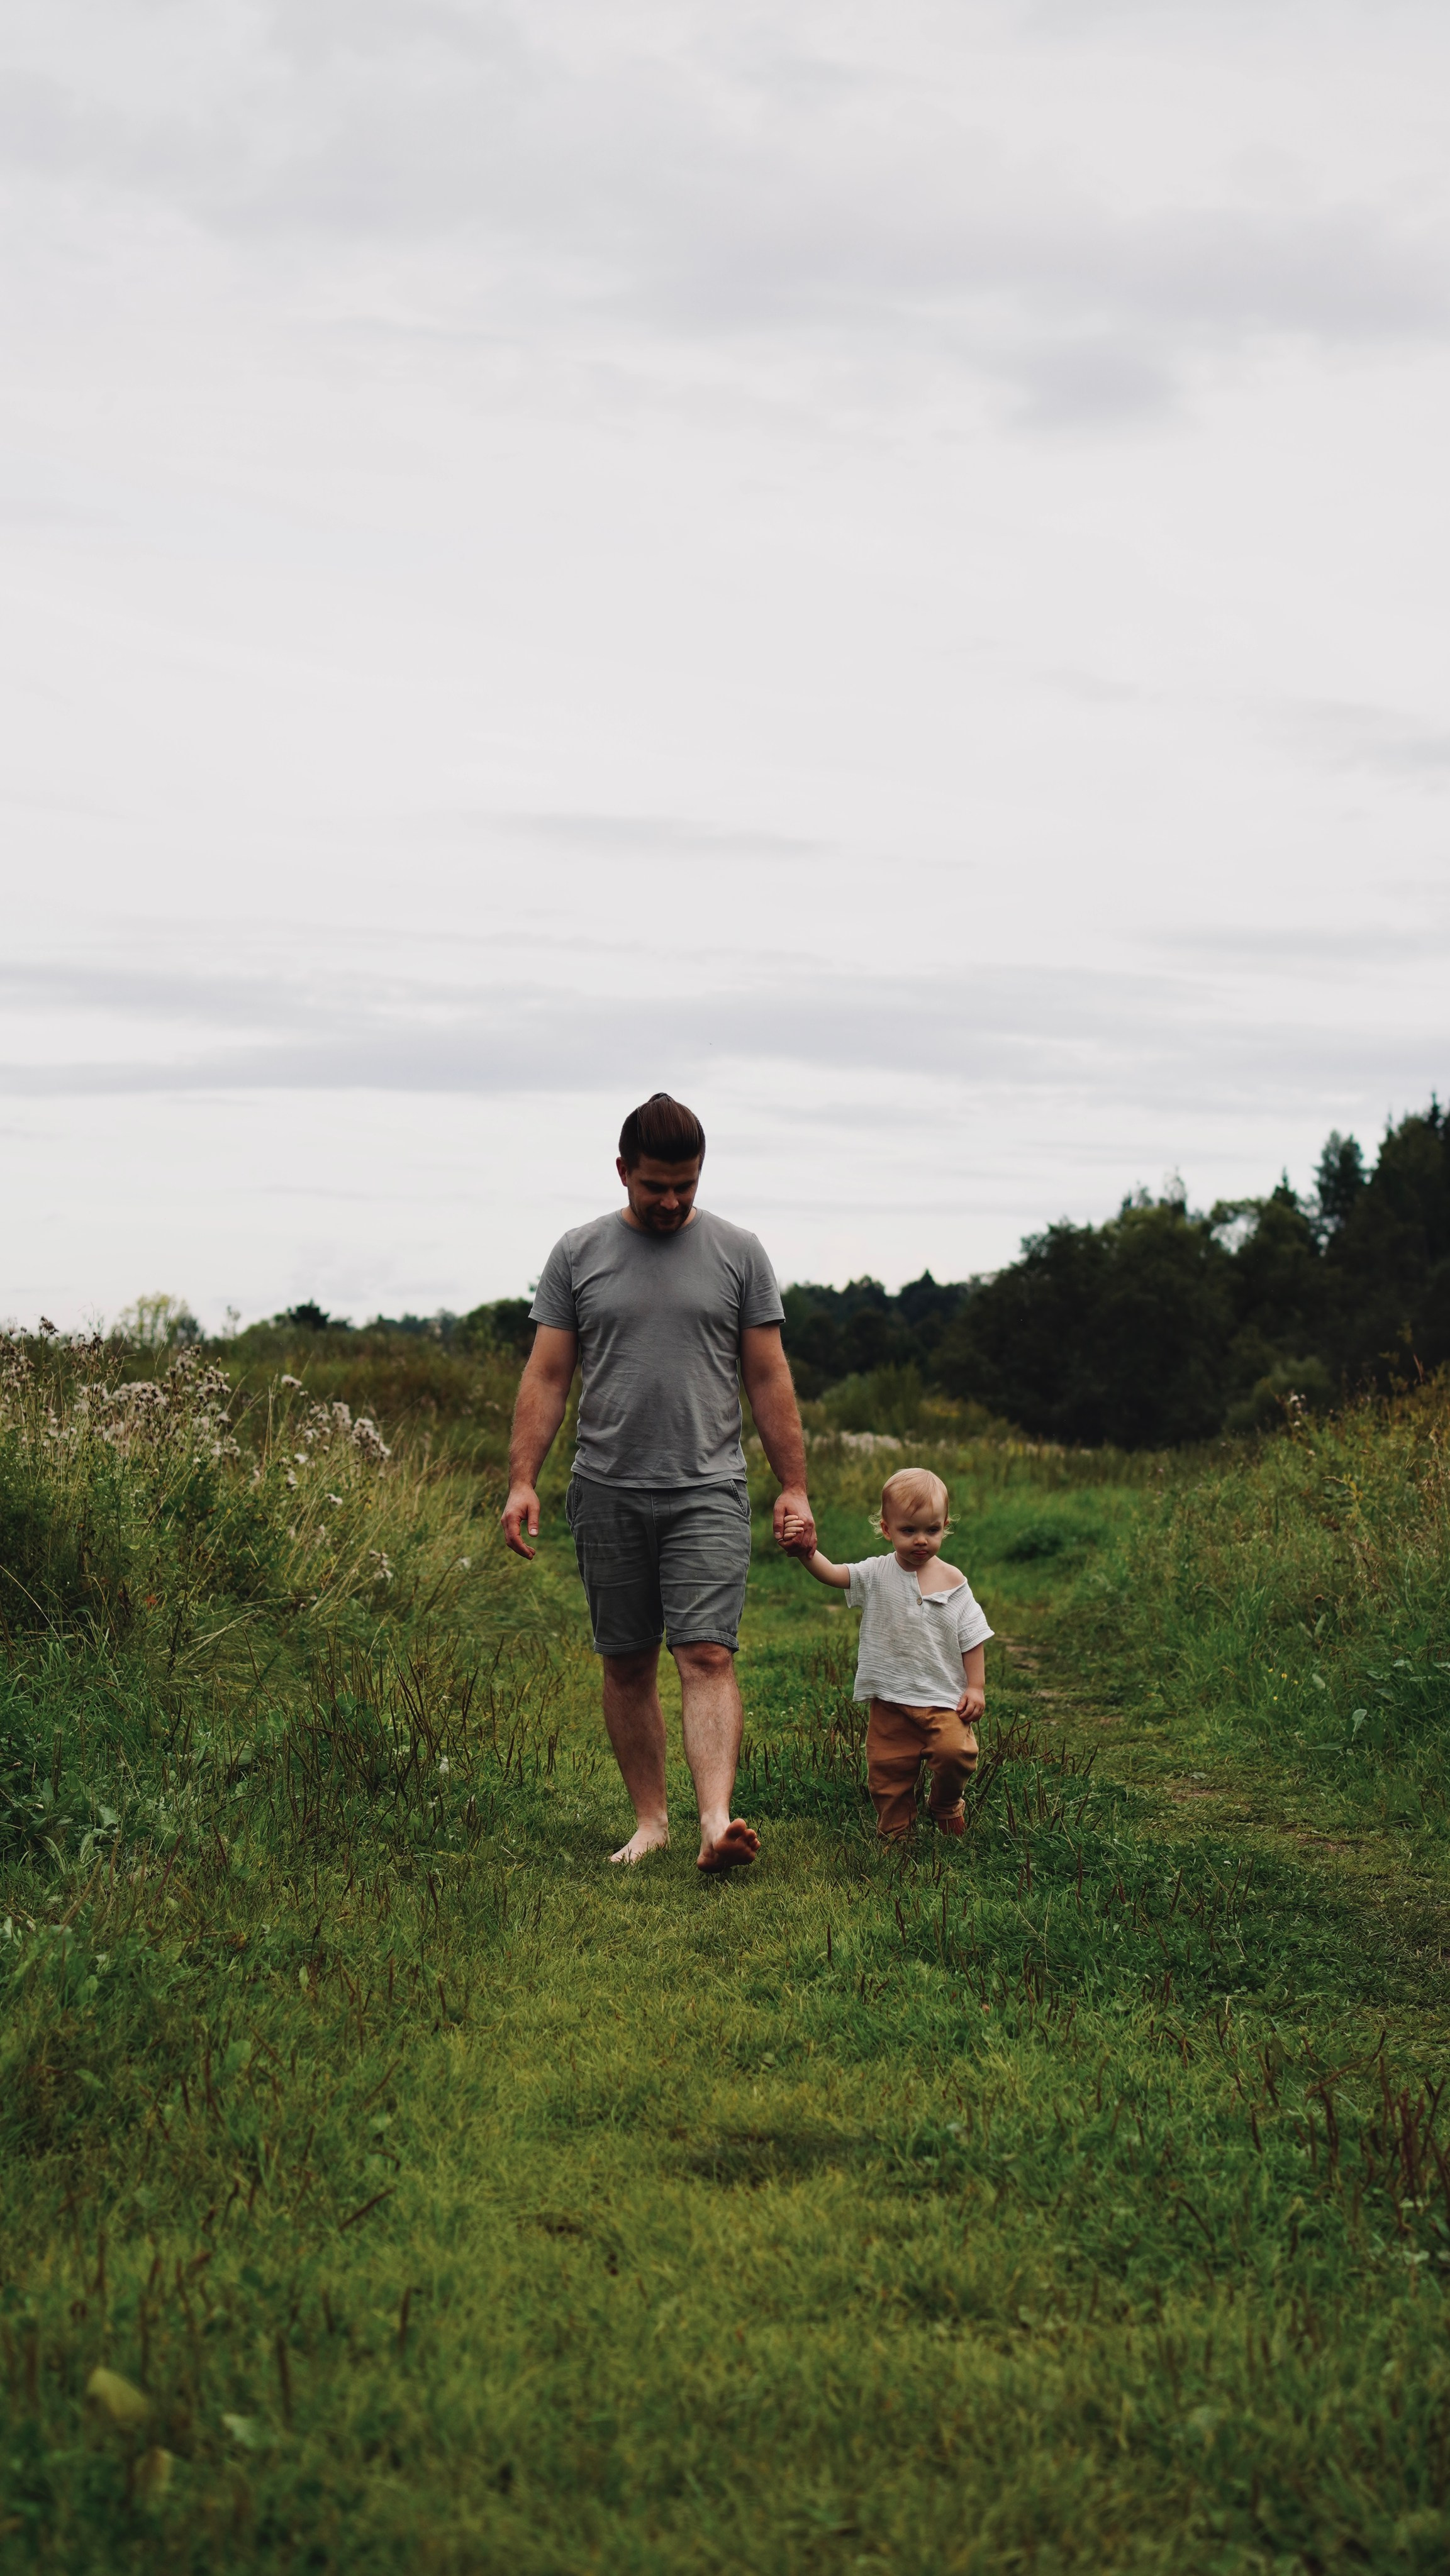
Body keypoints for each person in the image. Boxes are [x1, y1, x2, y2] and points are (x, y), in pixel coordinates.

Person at [501, 1092, 817, 1872]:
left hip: (707, 1486)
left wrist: (794, 1485)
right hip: (605, 1486)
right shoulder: (577, 1253)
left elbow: (769, 1374)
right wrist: (522, 1480)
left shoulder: (740, 1253)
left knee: (706, 1653)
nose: (673, 1201)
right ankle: (652, 1822)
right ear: (623, 1173)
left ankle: (716, 1821)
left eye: (687, 1184)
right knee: (627, 1659)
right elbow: (546, 1375)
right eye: (656, 1186)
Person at [784, 1467, 991, 1840]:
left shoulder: (954, 1582)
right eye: (908, 1531)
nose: (921, 1541)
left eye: (932, 1530)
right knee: (888, 1770)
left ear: (945, 1526)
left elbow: (972, 1635)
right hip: (890, 1700)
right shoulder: (877, 1573)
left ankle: (945, 1803)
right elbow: (832, 1574)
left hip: (943, 1699)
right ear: (886, 1528)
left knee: (956, 1754)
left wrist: (975, 1687)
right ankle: (897, 1831)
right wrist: (805, 1553)